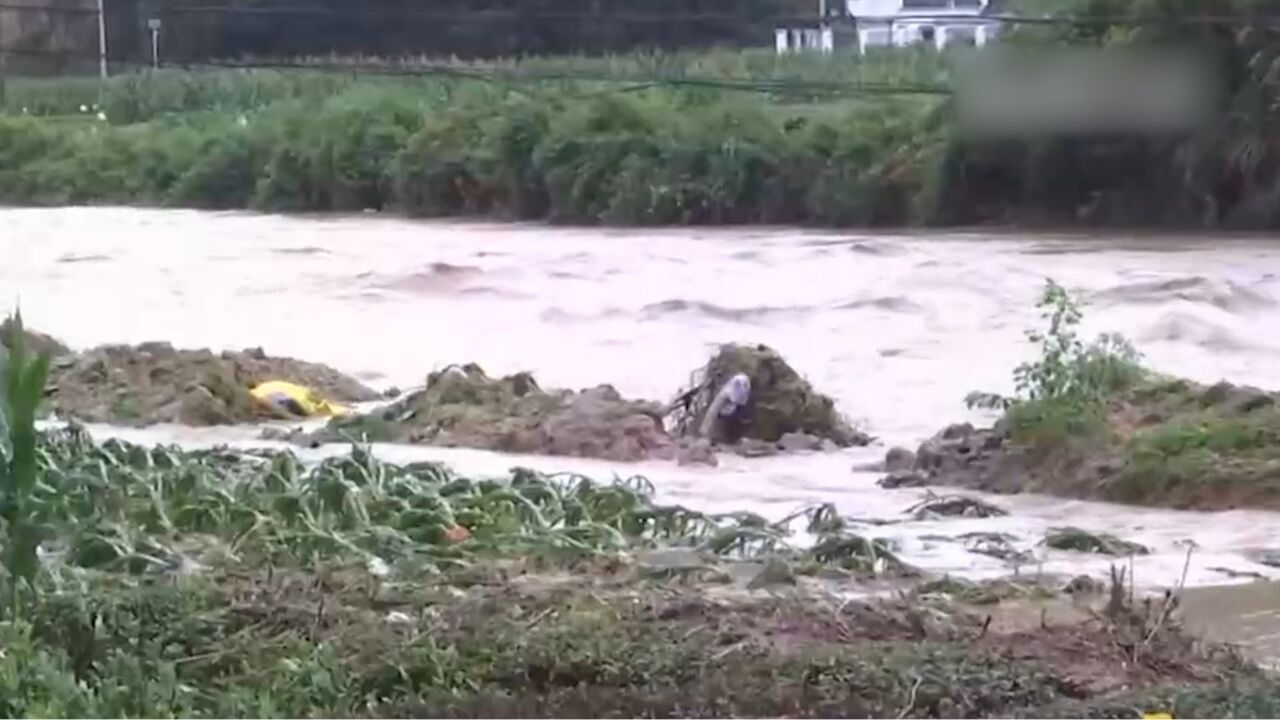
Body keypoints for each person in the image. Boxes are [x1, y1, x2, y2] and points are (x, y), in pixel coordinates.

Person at [699, 372, 752, 444]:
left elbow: (741, 401)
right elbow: (712, 411)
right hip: (728, 409)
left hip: (736, 409)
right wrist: (704, 431)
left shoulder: (744, 387)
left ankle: (736, 437)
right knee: (717, 411)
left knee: (742, 416)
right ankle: (727, 436)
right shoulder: (726, 393)